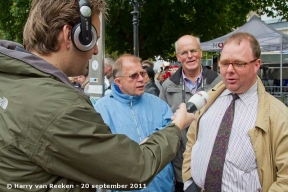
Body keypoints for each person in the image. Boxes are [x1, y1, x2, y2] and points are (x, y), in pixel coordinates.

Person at [0, 1, 195, 191]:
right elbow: (135, 168)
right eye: (92, 39)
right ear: (69, 35)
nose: (95, 51)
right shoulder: (60, 107)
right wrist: (176, 127)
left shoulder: (12, 79)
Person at [182, 32, 288, 192]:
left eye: (239, 63)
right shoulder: (208, 98)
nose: (229, 70)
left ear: (257, 64)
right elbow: (192, 140)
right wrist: (189, 180)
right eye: (224, 63)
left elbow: (285, 179)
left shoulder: (278, 115)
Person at [93, 54, 175, 192]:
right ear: (118, 82)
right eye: (133, 76)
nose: (141, 79)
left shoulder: (159, 105)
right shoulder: (101, 109)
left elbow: (173, 141)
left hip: (162, 187)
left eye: (142, 73)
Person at [159, 35, 222, 192]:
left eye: (193, 51)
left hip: (213, 164)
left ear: (200, 53)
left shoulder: (219, 82)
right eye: (184, 52)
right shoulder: (168, 86)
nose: (190, 56)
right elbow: (162, 125)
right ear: (178, 57)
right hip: (180, 167)